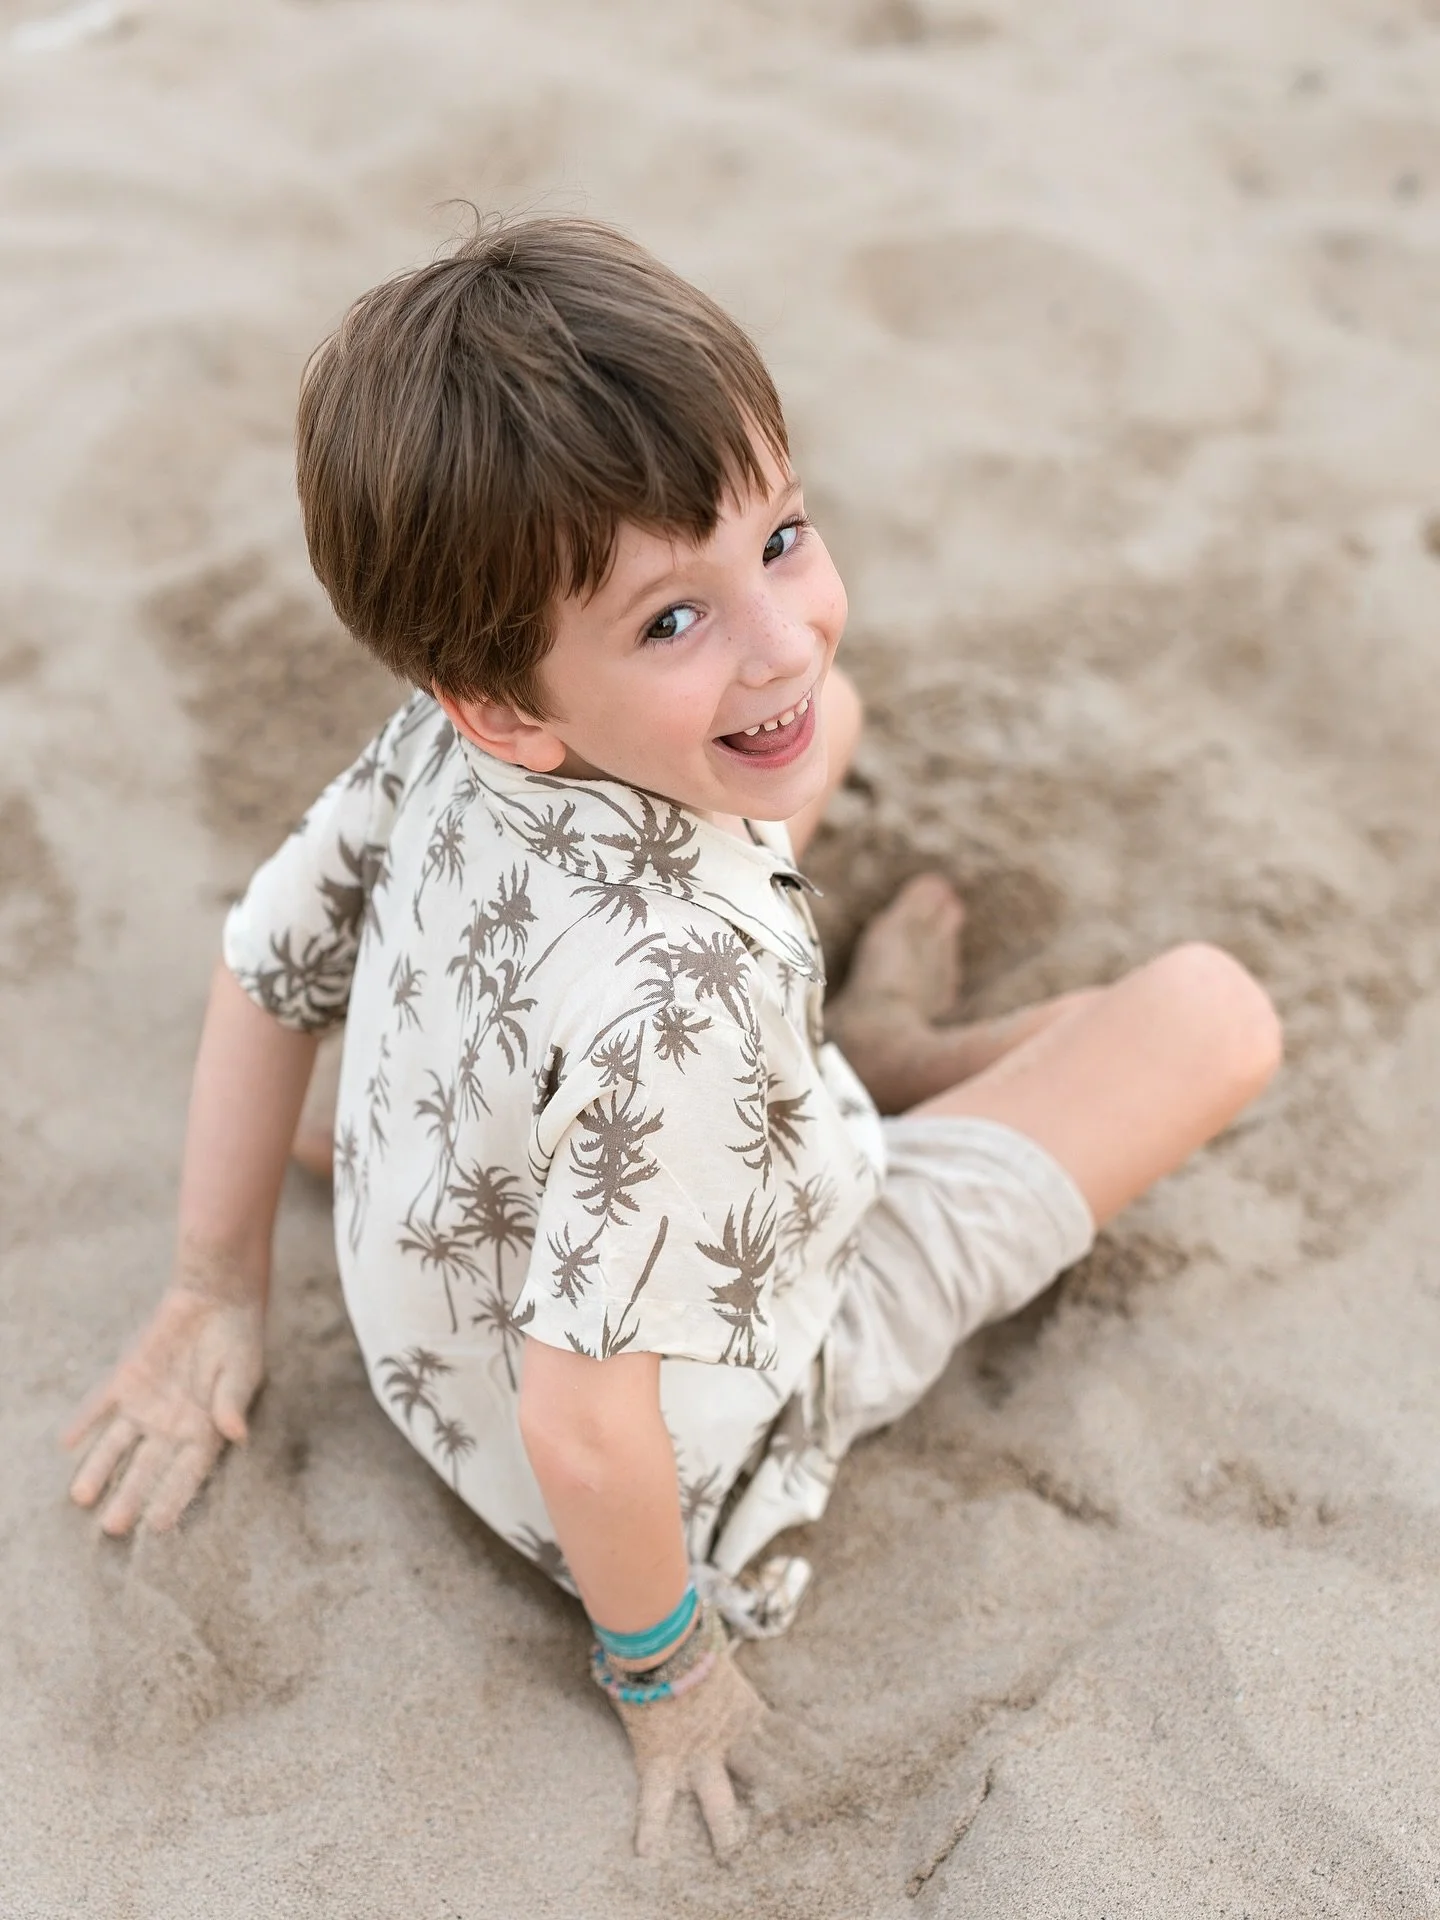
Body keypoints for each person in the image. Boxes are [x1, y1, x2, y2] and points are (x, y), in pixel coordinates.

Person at [62, 216, 1282, 1859]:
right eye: (670, 621)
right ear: (497, 698)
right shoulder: (687, 1007)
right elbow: (586, 1421)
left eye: (779, 538)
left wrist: (216, 1287)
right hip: (719, 1418)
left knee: (812, 729)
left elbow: (266, 972)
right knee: (1213, 1015)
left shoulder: (449, 731)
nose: (777, 631)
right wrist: (669, 1672)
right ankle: (891, 1059)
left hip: (443, 1281)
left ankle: (859, 1042)